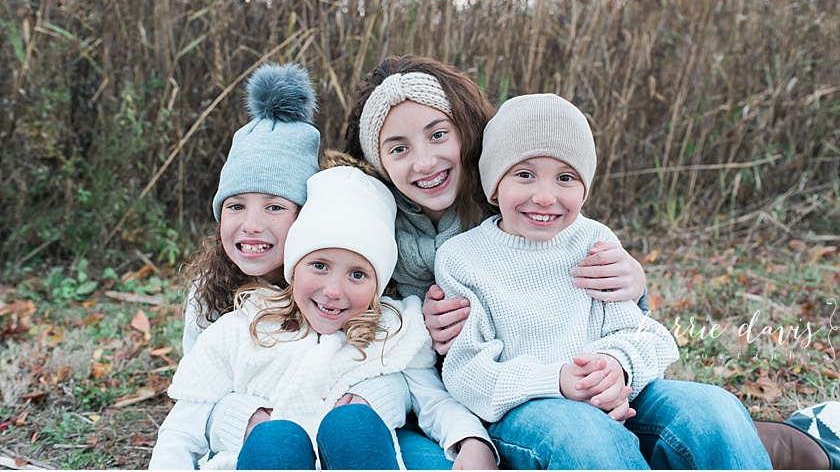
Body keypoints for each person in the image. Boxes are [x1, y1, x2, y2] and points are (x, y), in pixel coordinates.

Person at [434, 93, 772, 469]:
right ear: (494, 185)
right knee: (587, 435)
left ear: (585, 188)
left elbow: (646, 336)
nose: (545, 197)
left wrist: (616, 366)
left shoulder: (592, 241)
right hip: (526, 412)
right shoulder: (463, 258)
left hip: (617, 397)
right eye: (524, 174)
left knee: (713, 410)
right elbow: (468, 374)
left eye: (565, 178)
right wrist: (558, 380)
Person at [343, 55, 648, 467]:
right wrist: (414, 323)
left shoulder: (514, 204)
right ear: (378, 161)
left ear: (467, 134)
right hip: (430, 405)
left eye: (438, 135)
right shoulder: (368, 232)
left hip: (555, 388)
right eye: (399, 148)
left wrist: (636, 282)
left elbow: (608, 311)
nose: (425, 162)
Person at [150, 164, 498, 469]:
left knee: (353, 425)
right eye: (319, 266)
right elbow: (184, 427)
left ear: (379, 283)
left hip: (357, 458)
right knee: (277, 440)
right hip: (269, 460)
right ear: (293, 267)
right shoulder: (241, 329)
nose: (334, 290)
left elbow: (434, 402)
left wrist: (471, 440)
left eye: (357, 275)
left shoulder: (393, 331)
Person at [175, 62, 414, 461]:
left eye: (274, 207)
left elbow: (393, 364)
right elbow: (198, 391)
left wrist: (371, 401)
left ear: (308, 219)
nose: (252, 226)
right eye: (235, 205)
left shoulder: (342, 283)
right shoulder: (210, 295)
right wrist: (243, 416)